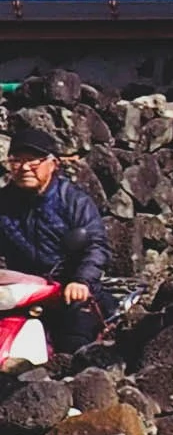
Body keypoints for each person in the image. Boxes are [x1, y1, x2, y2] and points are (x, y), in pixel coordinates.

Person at [0, 114, 109, 352]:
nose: (25, 167)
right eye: (17, 161)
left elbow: (96, 246)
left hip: (67, 288)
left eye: (34, 161)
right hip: (23, 289)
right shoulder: (4, 202)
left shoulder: (74, 201)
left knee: (74, 342)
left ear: (53, 163)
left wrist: (81, 281)